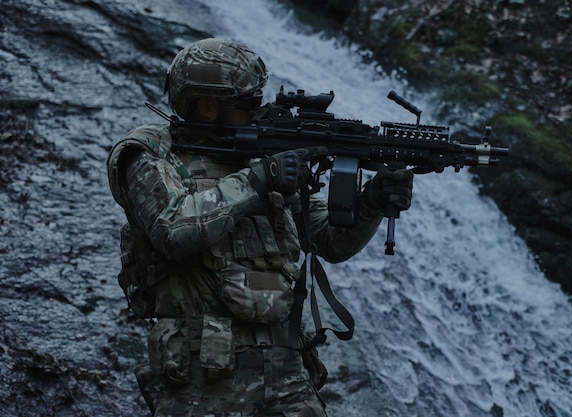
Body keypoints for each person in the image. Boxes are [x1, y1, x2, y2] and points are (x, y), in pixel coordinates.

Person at [106, 37, 413, 417]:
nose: (260, 111)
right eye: (248, 104)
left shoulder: (258, 158)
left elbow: (330, 242)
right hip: (203, 376)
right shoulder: (152, 152)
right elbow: (174, 229)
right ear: (206, 106)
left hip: (287, 371)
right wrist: (257, 180)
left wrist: (373, 201)